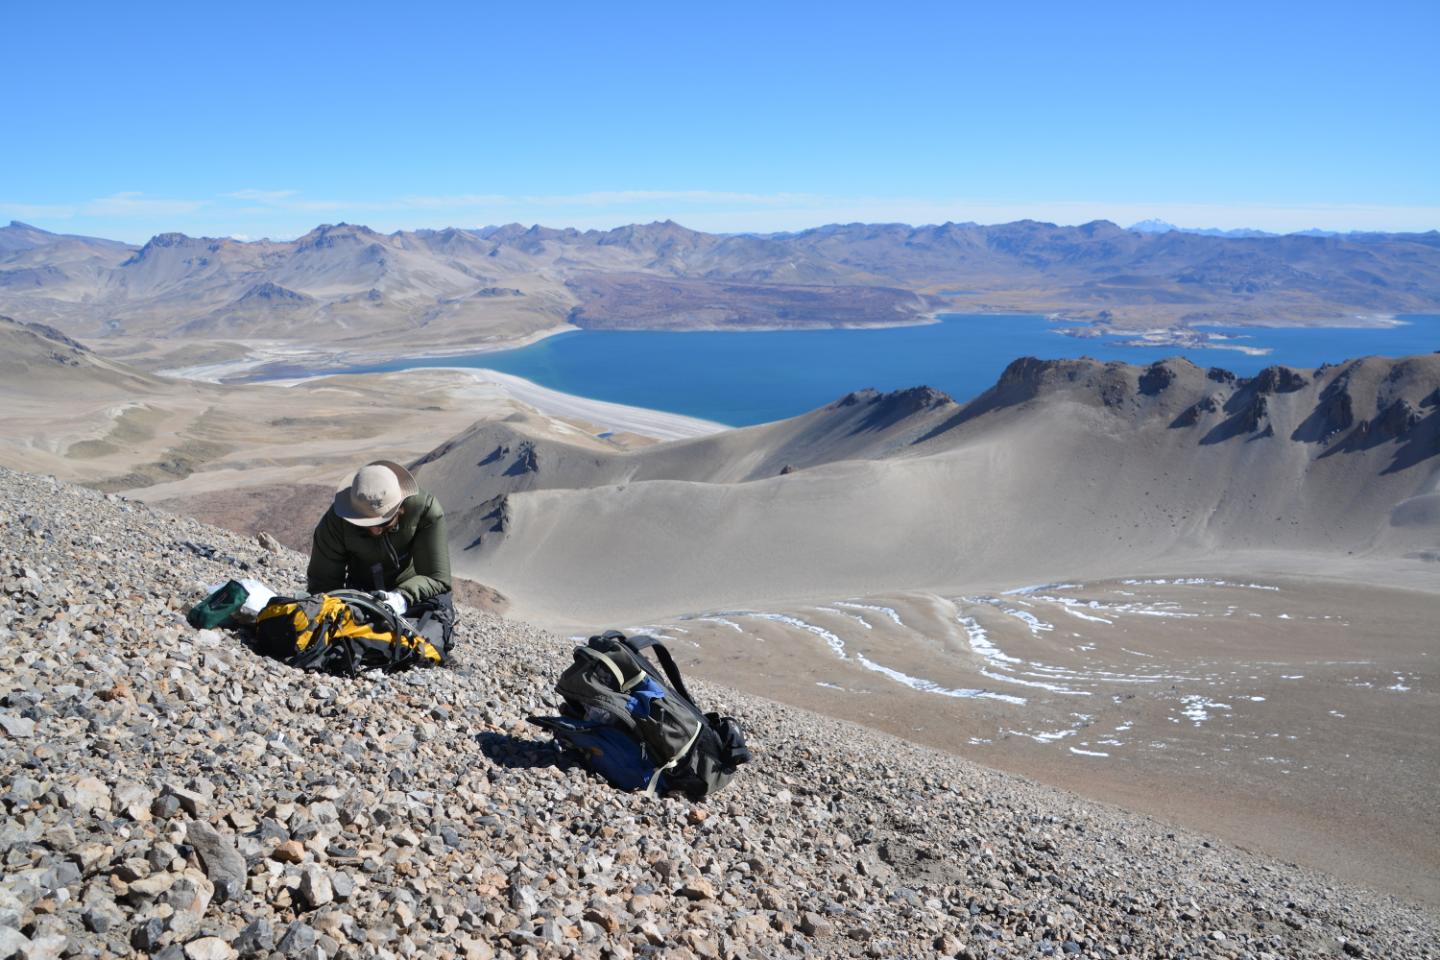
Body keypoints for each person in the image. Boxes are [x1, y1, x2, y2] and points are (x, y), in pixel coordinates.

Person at [307, 459, 456, 653]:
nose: (376, 531)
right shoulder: (335, 524)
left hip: (413, 597)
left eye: (385, 523)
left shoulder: (424, 510)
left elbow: (437, 578)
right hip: (361, 598)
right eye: (364, 524)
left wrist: (400, 597)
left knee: (430, 634)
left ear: (401, 506)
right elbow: (323, 586)